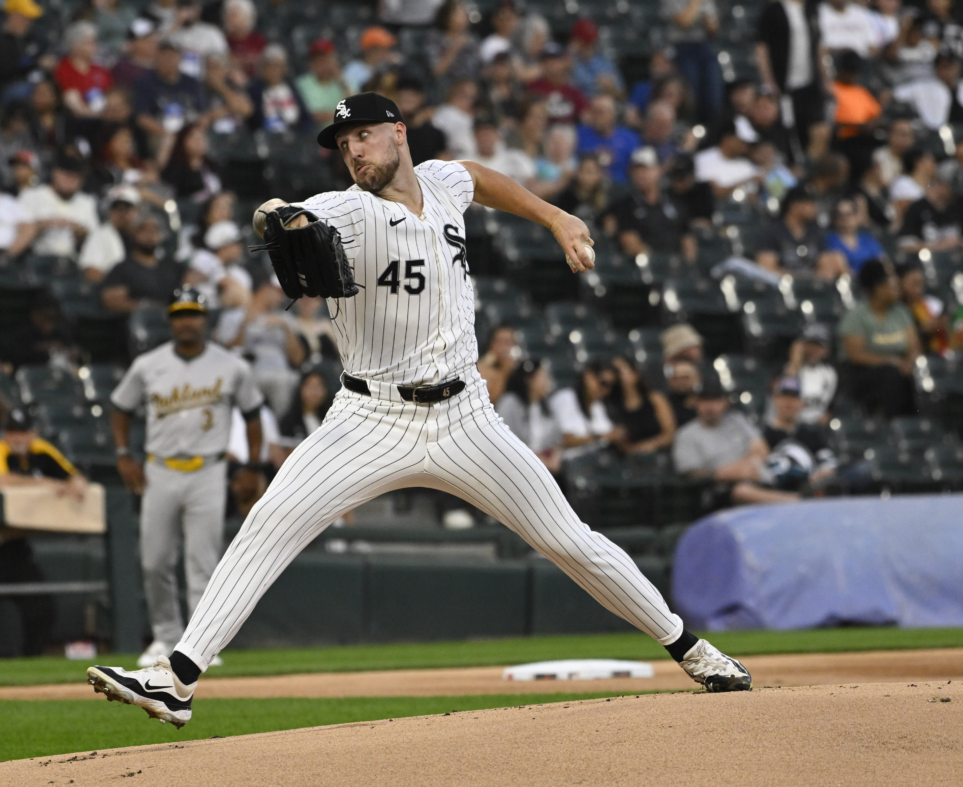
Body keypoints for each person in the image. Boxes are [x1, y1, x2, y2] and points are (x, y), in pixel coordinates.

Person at [87, 91, 752, 727]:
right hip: (369, 419)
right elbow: (290, 216)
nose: (354, 150)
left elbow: (478, 177)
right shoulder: (349, 210)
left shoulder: (441, 181)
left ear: (398, 133)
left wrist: (554, 217)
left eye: (364, 135)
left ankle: (692, 649)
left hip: (467, 418)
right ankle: (177, 679)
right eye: (343, 144)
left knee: (568, 540)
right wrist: (282, 219)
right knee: (270, 521)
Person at [110, 287, 263, 668]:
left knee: (202, 563)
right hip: (159, 469)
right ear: (170, 321)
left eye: (193, 314)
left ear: (205, 319)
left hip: (209, 469)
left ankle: (199, 647)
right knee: (154, 561)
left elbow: (253, 416)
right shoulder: (148, 365)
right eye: (180, 315)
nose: (187, 322)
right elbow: (119, 407)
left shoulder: (232, 366)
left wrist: (252, 466)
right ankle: (166, 637)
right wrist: (122, 453)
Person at [0, 408, 72, 656]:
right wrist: (47, 484)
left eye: (22, 432)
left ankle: (31, 659)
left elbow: (74, 478)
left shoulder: (42, 450)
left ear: (32, 434)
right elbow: (2, 480)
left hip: (15, 547)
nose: (17, 438)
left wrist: (72, 484)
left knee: (42, 608)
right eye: (11, 432)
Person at [673, 376, 801, 505]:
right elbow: (690, 472)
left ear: (725, 402)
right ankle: (799, 501)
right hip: (719, 489)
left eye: (715, 400)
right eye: (704, 400)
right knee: (741, 491)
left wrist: (747, 465)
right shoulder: (686, 434)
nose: (710, 406)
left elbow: (761, 448)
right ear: (695, 402)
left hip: (757, 477)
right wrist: (725, 473)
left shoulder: (736, 420)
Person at [839, 259, 920, 419]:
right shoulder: (856, 316)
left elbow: (914, 346)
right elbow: (855, 355)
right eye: (891, 282)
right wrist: (890, 361)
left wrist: (910, 362)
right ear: (878, 288)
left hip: (899, 369)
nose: (896, 285)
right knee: (890, 374)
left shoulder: (901, 312)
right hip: (862, 373)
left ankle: (917, 423)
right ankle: (892, 424)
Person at [216, 279, 306, 418]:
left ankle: (282, 426)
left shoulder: (285, 318)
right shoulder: (235, 315)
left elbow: (298, 359)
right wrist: (244, 325)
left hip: (281, 374)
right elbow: (225, 350)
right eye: (278, 292)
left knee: (287, 381)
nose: (281, 297)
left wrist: (286, 328)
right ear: (264, 289)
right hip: (250, 370)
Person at [755, 0, 828, 154]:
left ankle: (809, 165)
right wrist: (768, 81)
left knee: (820, 131)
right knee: (790, 136)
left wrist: (825, 78)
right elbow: (761, 47)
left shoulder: (811, 9)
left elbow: (818, 45)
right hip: (784, 85)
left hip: (810, 84)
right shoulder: (773, 10)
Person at [609, 147, 696, 260]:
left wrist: (688, 264)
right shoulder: (625, 205)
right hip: (645, 266)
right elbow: (629, 240)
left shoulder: (674, 201)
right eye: (637, 170)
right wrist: (658, 263)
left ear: (658, 170)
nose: (641, 174)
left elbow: (687, 237)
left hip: (677, 264)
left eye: (646, 169)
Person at [753, 185, 846, 280]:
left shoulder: (815, 231)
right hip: (783, 286)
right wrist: (804, 278)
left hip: (813, 285)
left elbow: (826, 262)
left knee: (837, 258)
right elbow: (766, 269)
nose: (815, 208)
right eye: (810, 203)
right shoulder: (772, 232)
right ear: (794, 205)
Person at [101, 215, 187, 313]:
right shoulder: (121, 269)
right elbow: (112, 301)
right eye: (143, 230)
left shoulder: (172, 266)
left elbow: (192, 280)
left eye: (155, 230)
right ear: (133, 234)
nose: (150, 235)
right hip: (136, 319)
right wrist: (148, 307)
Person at [18, 156, 100, 258]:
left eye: (76, 177)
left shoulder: (87, 202)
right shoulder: (31, 195)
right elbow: (16, 234)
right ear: (55, 174)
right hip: (35, 258)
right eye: (67, 175)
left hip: (73, 261)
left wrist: (81, 234)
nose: (71, 180)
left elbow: (95, 240)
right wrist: (46, 224)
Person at [496, 358, 563, 474]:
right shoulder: (510, 402)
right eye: (543, 377)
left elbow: (557, 439)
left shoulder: (546, 405)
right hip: (515, 469)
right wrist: (537, 460)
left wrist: (554, 458)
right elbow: (503, 441)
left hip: (545, 469)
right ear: (529, 379)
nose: (547, 381)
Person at [133, 39, 206, 141]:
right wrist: (167, 135)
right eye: (164, 56)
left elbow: (203, 113)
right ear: (156, 57)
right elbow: (141, 117)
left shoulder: (191, 82)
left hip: (188, 133)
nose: (168, 60)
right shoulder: (145, 82)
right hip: (159, 133)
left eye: (172, 56)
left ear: (179, 58)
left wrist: (195, 133)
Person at [663, 0, 722, 123]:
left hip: (705, 47)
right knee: (691, 97)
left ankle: (711, 130)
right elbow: (685, 21)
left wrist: (710, 23)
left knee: (713, 98)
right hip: (683, 48)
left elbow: (714, 29)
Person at [549, 358, 620, 458]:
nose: (606, 390)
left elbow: (611, 433)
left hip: (593, 461)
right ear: (588, 376)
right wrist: (600, 437)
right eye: (603, 383)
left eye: (610, 386)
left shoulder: (598, 406)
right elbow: (565, 440)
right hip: (565, 463)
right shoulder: (565, 398)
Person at [607, 356, 676, 455]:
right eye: (614, 371)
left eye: (620, 370)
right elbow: (616, 439)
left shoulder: (655, 399)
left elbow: (670, 433)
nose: (617, 375)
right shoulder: (610, 406)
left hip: (661, 454)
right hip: (628, 458)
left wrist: (648, 446)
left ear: (635, 374)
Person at [0, 0, 48, 103]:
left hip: (31, 82)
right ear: (13, 16)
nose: (28, 23)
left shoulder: (30, 38)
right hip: (4, 88)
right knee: (23, 91)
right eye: (25, 19)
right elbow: (2, 70)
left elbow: (40, 55)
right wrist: (33, 62)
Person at [247, 44, 312, 135]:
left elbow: (304, 116)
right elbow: (253, 120)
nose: (274, 70)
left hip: (294, 134)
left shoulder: (291, 87)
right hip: (266, 136)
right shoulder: (255, 89)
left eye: (278, 66)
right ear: (263, 67)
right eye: (271, 65)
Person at [186, 220, 252, 309]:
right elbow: (238, 292)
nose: (240, 248)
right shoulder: (203, 257)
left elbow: (245, 299)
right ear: (224, 245)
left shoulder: (233, 270)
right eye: (236, 244)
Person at [577, 95, 641, 185]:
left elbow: (636, 169)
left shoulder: (629, 138)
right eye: (594, 112)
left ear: (612, 114)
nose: (597, 116)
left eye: (601, 112)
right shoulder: (579, 135)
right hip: (588, 186)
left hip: (620, 187)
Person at [79, 184, 139, 282]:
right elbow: (91, 272)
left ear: (136, 211)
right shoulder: (100, 235)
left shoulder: (142, 237)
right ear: (109, 211)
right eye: (116, 208)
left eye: (126, 209)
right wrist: (114, 285)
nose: (121, 214)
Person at [273, 368, 332, 467]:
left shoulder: (331, 419)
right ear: (301, 388)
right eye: (310, 387)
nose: (314, 392)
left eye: (318, 387)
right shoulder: (289, 421)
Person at [54, 21, 113, 119]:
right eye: (89, 43)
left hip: (105, 116)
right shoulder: (64, 69)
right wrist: (98, 116)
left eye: (94, 42)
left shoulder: (100, 69)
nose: (94, 47)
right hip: (79, 120)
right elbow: (73, 104)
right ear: (75, 45)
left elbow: (111, 95)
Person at [783, 324, 838, 424]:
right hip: (791, 425)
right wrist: (795, 363)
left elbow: (830, 406)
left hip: (816, 427)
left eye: (819, 346)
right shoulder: (785, 368)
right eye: (810, 344)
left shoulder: (829, 373)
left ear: (826, 350)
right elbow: (785, 394)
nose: (814, 350)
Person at [524, 43, 589, 126]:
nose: (551, 65)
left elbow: (585, 116)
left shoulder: (574, 91)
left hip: (569, 130)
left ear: (564, 63)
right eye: (546, 62)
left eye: (555, 61)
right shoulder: (533, 88)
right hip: (541, 129)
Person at [694, 122, 761, 199]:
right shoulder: (703, 158)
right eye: (741, 142)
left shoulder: (747, 166)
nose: (744, 147)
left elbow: (753, 197)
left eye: (747, 144)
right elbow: (714, 192)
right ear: (728, 138)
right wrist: (746, 181)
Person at [896, 175, 962, 254]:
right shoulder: (917, 209)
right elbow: (905, 245)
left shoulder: (958, 205)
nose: (950, 189)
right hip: (927, 259)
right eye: (946, 185)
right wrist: (940, 246)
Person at [897, 262, 950, 356]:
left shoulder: (932, 304)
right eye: (914, 284)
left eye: (920, 283)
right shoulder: (895, 309)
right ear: (899, 283)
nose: (919, 289)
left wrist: (942, 326)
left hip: (936, 354)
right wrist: (922, 330)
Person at [296, 39, 350, 130]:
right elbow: (315, 116)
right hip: (317, 134)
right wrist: (345, 116)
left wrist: (341, 82)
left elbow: (354, 109)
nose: (323, 65)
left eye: (326, 59)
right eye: (318, 61)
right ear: (311, 63)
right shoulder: (303, 83)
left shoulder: (342, 82)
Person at [467, 119, 536, 188]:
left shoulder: (516, 157)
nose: (485, 139)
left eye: (489, 134)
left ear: (497, 135)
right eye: (482, 135)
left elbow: (532, 183)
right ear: (475, 137)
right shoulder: (467, 164)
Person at [824, 196, 885, 274]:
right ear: (835, 219)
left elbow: (882, 261)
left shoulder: (867, 238)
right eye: (840, 215)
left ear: (856, 216)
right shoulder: (830, 240)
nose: (845, 219)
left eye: (848, 214)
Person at [570, 19, 625, 99]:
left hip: (605, 102)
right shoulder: (569, 62)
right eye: (584, 43)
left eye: (591, 42)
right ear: (575, 41)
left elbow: (622, 94)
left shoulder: (605, 62)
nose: (589, 46)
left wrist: (610, 89)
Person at [430, 79, 477, 159]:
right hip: (455, 157)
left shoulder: (473, 115)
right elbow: (436, 136)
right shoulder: (445, 111)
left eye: (472, 97)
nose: (468, 100)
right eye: (464, 95)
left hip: (475, 157)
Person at [342, 26, 398, 92]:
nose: (387, 52)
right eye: (383, 49)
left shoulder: (386, 68)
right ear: (371, 50)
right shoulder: (353, 70)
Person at [664, 359, 700, 428]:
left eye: (685, 377)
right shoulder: (664, 402)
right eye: (675, 378)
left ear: (697, 377)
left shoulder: (706, 399)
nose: (680, 381)